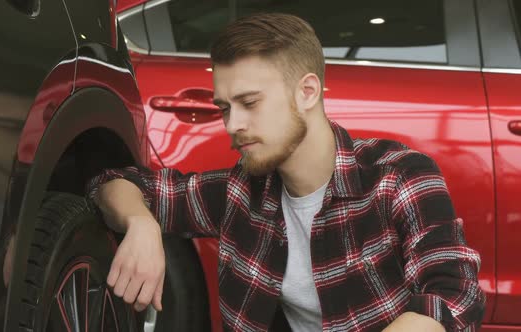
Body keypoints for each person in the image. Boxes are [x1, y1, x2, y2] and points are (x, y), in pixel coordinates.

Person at [86, 13, 485, 331]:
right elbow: (110, 184)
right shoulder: (240, 193)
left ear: (307, 92)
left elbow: (454, 296)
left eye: (249, 102)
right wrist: (141, 223)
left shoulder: (398, 177)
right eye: (226, 107)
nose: (232, 125)